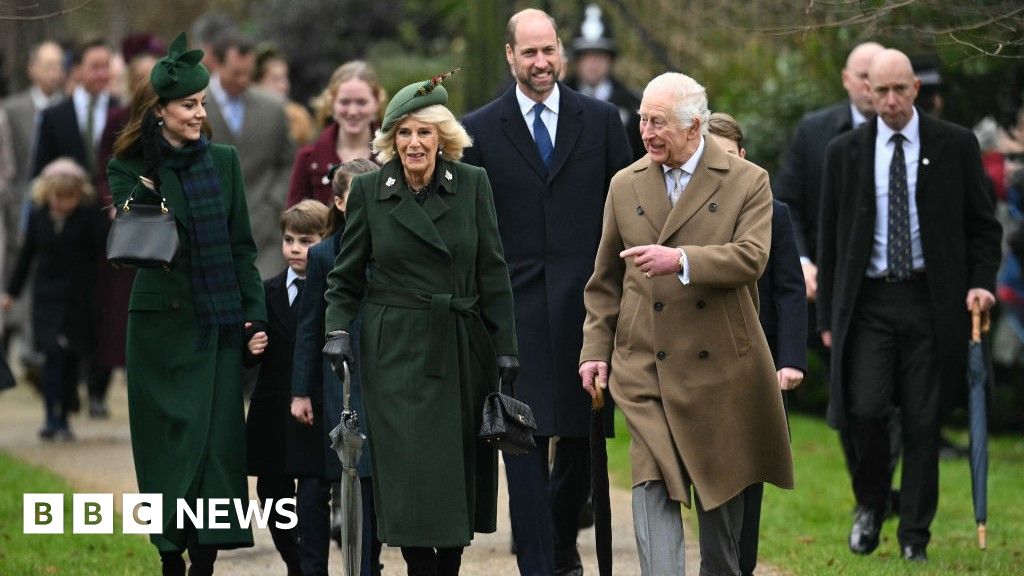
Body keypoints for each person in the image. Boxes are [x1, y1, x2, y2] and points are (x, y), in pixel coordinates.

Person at [579, 72, 794, 576]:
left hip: (721, 365)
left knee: (720, 503)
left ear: (695, 126)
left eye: (659, 122)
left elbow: (751, 258)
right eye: (642, 120)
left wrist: (680, 260)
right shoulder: (625, 183)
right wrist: (594, 350)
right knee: (651, 483)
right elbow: (605, 280)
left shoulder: (748, 180)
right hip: (645, 364)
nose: (646, 131)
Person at [322, 75, 518, 576]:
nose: (414, 143)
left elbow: (493, 271)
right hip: (396, 353)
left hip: (459, 345)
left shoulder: (472, 185)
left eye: (425, 133)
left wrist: (505, 348)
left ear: (443, 139)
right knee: (407, 474)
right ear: (391, 140)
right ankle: (418, 565)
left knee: (451, 476)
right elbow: (343, 280)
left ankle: (444, 566)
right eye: (404, 133)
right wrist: (338, 332)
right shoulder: (369, 191)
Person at [461, 9, 632, 575]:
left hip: (589, 313)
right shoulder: (479, 131)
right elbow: (474, 229)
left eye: (549, 50)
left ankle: (559, 544)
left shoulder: (603, 121)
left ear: (562, 52)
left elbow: (626, 211)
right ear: (510, 56)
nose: (541, 62)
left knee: (581, 443)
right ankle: (539, 563)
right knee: (522, 444)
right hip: (513, 315)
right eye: (529, 52)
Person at [817, 48, 1002, 562]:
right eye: (881, 91)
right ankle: (872, 504)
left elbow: (984, 227)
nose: (891, 100)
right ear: (866, 92)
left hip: (931, 301)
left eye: (901, 90)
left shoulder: (955, 145)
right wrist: (828, 317)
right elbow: (830, 241)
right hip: (869, 303)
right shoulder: (845, 153)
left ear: (916, 88)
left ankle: (914, 538)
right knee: (866, 410)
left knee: (923, 422)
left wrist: (981, 282)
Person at [107, 31, 266, 575]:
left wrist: (254, 316)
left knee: (217, 449)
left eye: (202, 104)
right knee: (164, 448)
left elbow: (242, 247)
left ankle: (205, 560)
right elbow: (136, 241)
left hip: (215, 325)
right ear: (160, 112)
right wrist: (152, 172)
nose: (200, 113)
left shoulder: (223, 162)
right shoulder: (128, 166)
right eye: (189, 105)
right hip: (158, 330)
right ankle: (169, 555)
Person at [707, 112, 807, 576]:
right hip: (702, 360)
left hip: (757, 360)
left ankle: (740, 566)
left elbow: (789, 286)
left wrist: (790, 359)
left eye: (728, 157)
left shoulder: (775, 212)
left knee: (750, 471)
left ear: (744, 158)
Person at [291, 158, 381, 576]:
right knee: (356, 474)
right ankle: (362, 566)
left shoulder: (394, 244)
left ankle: (372, 560)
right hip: (344, 379)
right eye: (356, 197)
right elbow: (310, 325)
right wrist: (301, 390)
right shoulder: (324, 254)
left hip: (390, 371)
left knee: (382, 477)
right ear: (340, 202)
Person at [245, 199, 329, 576]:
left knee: (312, 496)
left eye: (307, 241)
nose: (295, 248)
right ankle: (294, 560)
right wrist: (250, 347)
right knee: (272, 495)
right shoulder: (267, 292)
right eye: (289, 239)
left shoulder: (332, 293)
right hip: (273, 411)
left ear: (326, 241)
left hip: (313, 410)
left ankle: (312, 567)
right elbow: (247, 350)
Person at [2, 158, 101, 440]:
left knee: (71, 362)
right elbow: (26, 256)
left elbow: (101, 256)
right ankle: (50, 418)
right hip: (47, 299)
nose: (62, 203)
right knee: (51, 359)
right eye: (57, 196)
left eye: (68, 197)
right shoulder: (38, 216)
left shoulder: (88, 217)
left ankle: (64, 417)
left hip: (77, 300)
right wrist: (11, 292)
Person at [203, 32, 295, 277]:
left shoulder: (273, 108)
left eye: (248, 73)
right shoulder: (195, 107)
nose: (243, 80)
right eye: (236, 73)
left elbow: (287, 162)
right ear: (217, 64)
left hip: (265, 234)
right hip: (208, 229)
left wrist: (275, 201)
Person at [286, 61, 385, 208]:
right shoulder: (308, 159)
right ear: (331, 103)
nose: (352, 111)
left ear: (376, 103)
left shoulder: (395, 155)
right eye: (344, 102)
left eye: (361, 102)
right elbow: (294, 222)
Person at [563, 2, 644, 161]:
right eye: (586, 55)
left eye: (599, 55)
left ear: (610, 59)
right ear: (577, 60)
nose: (593, 63)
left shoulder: (633, 105)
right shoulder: (559, 99)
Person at [33, 38, 118, 178]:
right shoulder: (54, 117)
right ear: (77, 70)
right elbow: (39, 173)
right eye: (95, 67)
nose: (102, 74)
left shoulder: (122, 112)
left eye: (106, 66)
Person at [254, 44, 316, 146]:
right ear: (257, 82)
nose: (283, 86)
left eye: (285, 78)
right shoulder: (245, 116)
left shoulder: (299, 118)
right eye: (275, 79)